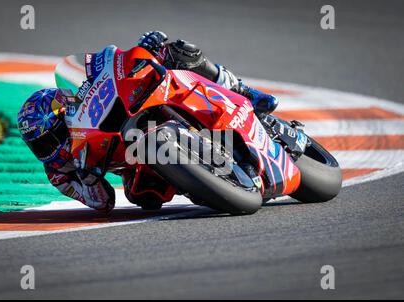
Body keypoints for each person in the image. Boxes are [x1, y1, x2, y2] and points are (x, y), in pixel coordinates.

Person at [17, 31, 279, 211]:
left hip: (135, 112)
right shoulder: (59, 174)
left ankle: (244, 92)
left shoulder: (81, 106)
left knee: (178, 51)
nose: (48, 151)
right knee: (144, 197)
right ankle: (207, 182)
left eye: (49, 139)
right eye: (39, 146)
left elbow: (106, 66)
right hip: (135, 160)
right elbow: (103, 202)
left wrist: (145, 48)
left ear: (65, 114)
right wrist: (87, 180)